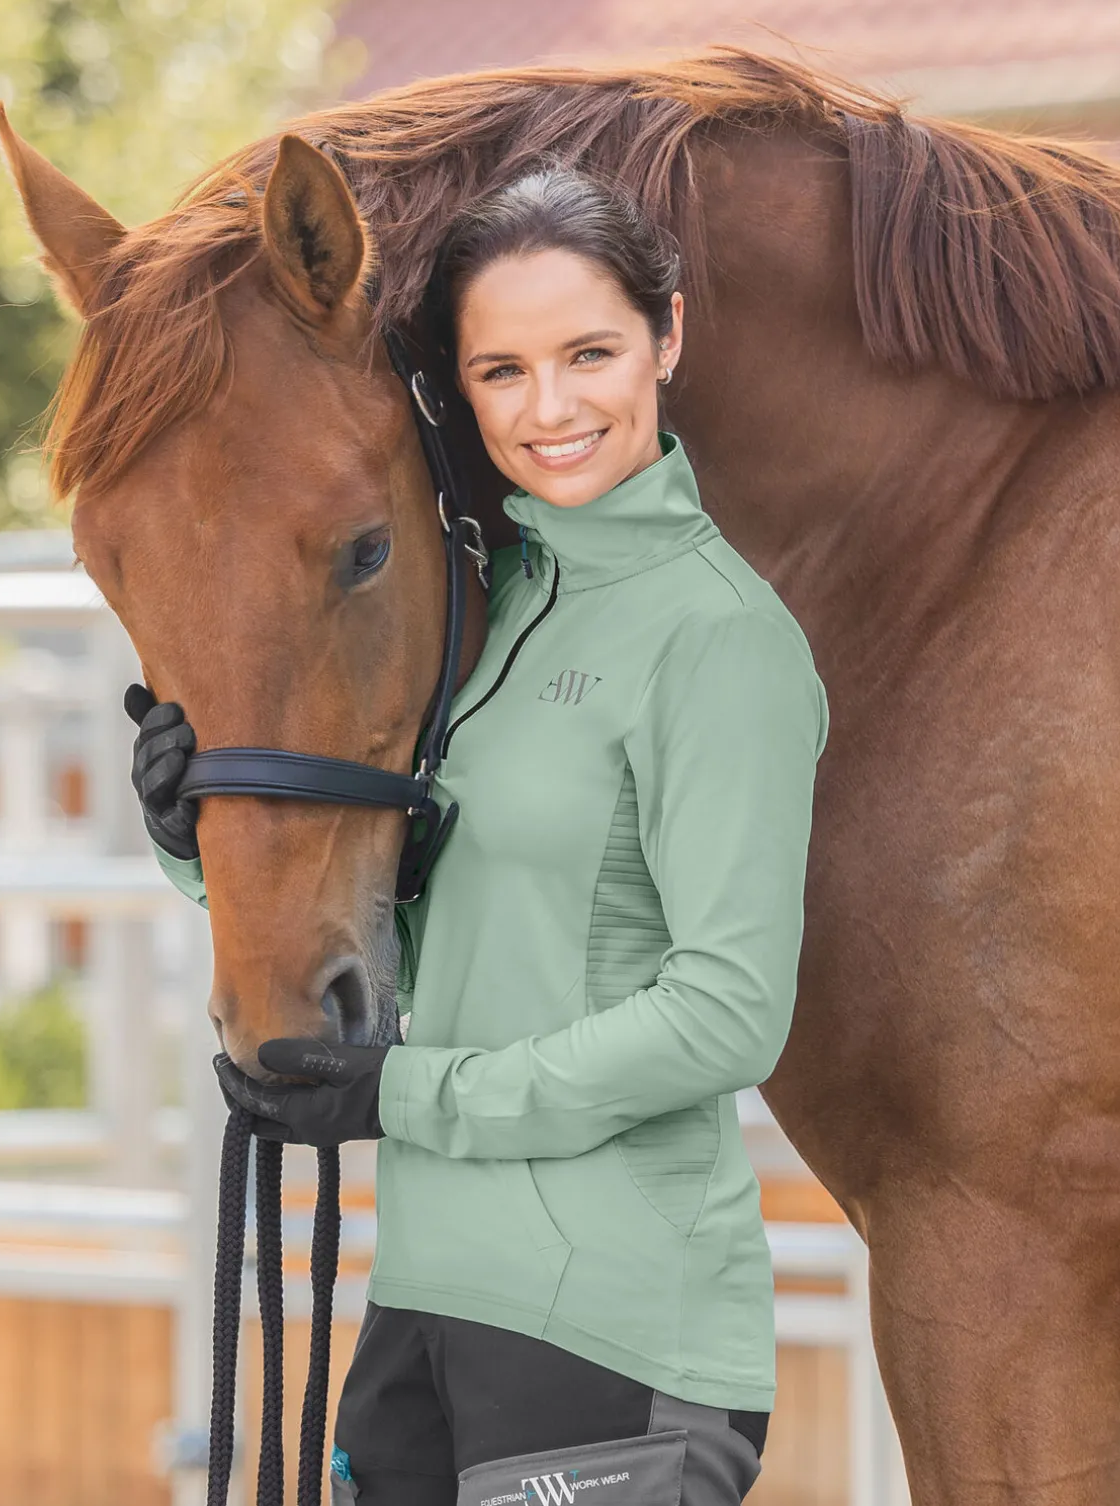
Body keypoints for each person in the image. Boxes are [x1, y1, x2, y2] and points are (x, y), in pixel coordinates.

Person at [129, 166, 829, 1505]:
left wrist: (402, 1096)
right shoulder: (491, 616)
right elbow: (442, 910)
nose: (549, 408)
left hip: (614, 1324)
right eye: (502, 370)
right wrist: (184, 832)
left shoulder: (718, 638)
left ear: (666, 338)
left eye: (589, 354)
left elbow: (728, 1014)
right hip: (424, 1308)